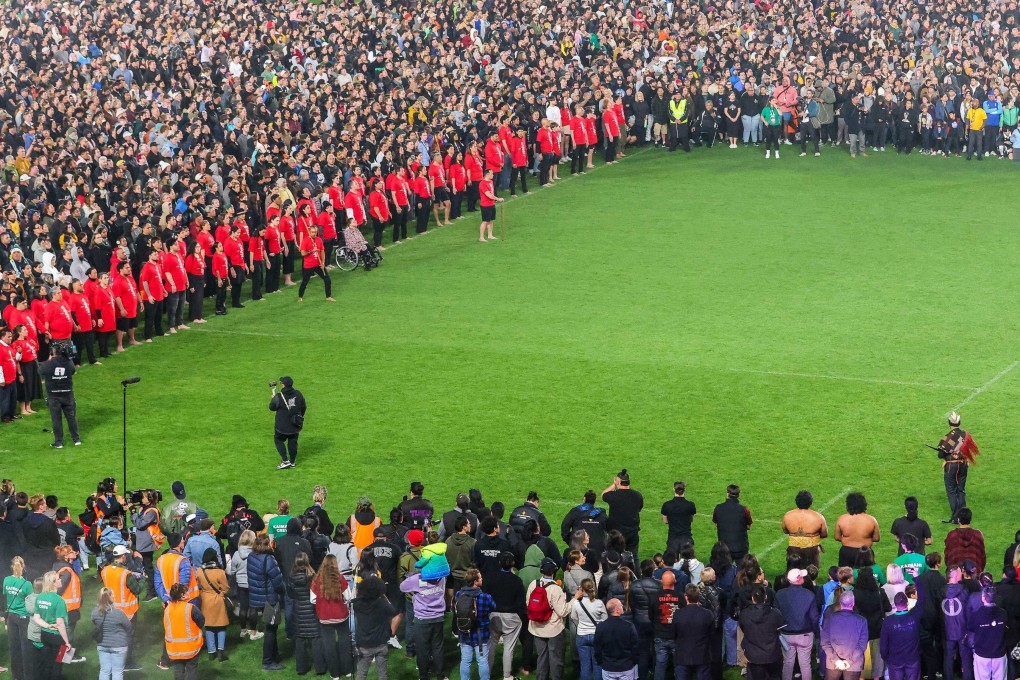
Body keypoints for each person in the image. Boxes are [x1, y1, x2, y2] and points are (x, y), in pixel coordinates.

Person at [400, 541, 449, 680]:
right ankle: (440, 675)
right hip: (438, 616)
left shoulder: (417, 579)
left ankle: (423, 676)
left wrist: (414, 574)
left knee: (423, 649)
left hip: (422, 619)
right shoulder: (442, 577)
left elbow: (402, 587)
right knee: (438, 647)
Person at [484, 551, 527, 680]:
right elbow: (521, 602)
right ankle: (507, 676)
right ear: (513, 563)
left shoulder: (491, 578)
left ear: (499, 563)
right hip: (512, 617)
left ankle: (486, 674)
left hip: (493, 616)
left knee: (491, 645)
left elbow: (486, 596)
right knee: (509, 647)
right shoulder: (516, 580)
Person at [527, 557, 571, 680]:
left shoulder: (533, 584)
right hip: (553, 629)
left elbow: (528, 604)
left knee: (541, 657)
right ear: (553, 572)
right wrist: (572, 601)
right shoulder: (555, 589)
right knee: (556, 659)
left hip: (536, 628)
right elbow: (562, 611)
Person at [247, 534, 285, 671]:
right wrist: (282, 592)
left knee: (271, 627)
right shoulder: (268, 559)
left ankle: (274, 656)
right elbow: (278, 581)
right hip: (269, 599)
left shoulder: (251, 557)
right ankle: (267, 661)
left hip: (258, 598)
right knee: (271, 629)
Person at [352, 575, 399, 680]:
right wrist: (383, 596)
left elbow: (355, 600)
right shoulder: (382, 603)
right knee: (383, 675)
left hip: (364, 645)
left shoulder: (357, 604)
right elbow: (393, 611)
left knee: (361, 675)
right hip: (381, 643)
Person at [453, 567, 496, 680]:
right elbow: (493, 607)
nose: (482, 579)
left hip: (464, 633)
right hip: (481, 635)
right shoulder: (485, 597)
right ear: (475, 581)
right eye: (480, 577)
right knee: (482, 661)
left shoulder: (458, 594)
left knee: (465, 661)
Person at [936, 412, 978, 524]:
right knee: (961, 490)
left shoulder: (948, 437)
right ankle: (963, 518)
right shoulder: (966, 435)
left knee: (951, 491)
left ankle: (956, 518)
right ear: (959, 422)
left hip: (951, 466)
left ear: (949, 423)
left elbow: (940, 455)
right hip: (964, 464)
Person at [38, 343, 80, 448]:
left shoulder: (48, 364)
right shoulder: (69, 362)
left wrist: (49, 359)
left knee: (56, 419)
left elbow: (40, 371)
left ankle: (59, 442)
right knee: (71, 417)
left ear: (52, 352)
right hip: (68, 394)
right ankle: (76, 440)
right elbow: (73, 371)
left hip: (54, 396)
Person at [820, 590, 869, 680]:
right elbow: (862, 645)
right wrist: (849, 661)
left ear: (840, 602)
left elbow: (824, 642)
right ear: (853, 603)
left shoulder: (830, 619)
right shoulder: (862, 621)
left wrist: (836, 660)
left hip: (833, 662)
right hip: (854, 663)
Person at [740, 585, 786, 680]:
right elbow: (781, 627)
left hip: (755, 655)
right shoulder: (775, 613)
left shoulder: (744, 614)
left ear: (752, 597)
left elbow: (744, 628)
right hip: (771, 654)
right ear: (765, 597)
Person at [33, 570, 72, 680]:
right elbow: (60, 623)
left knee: (48, 662)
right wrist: (67, 642)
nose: (60, 580)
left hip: (44, 634)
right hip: (57, 637)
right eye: (58, 579)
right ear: (53, 583)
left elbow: (36, 617)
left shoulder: (40, 597)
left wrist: (47, 626)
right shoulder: (58, 600)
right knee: (58, 664)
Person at [163, 582, 205, 680]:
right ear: (182, 595)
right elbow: (201, 621)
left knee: (178, 671)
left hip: (174, 648)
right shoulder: (190, 608)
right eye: (187, 592)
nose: (189, 593)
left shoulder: (167, 609)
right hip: (190, 647)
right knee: (192, 671)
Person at [673, 583, 715, 680]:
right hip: (702, 655)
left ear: (686, 597)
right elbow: (712, 634)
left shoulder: (678, 614)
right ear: (698, 597)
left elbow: (673, 634)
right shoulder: (707, 614)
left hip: (683, 656)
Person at [195, 548, 229, 662]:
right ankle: (220, 651)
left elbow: (198, 584)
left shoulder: (199, 571)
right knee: (221, 625)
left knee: (208, 626)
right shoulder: (220, 572)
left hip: (205, 600)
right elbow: (225, 587)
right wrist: (222, 593)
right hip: (218, 600)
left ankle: (211, 652)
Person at [571, 577, 608, 680]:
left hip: (582, 635)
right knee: (597, 665)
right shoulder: (599, 603)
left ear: (581, 589)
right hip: (596, 635)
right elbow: (605, 619)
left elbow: (573, 617)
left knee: (585, 666)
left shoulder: (576, 603)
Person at [92, 586, 132, 680]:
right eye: (112, 594)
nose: (114, 595)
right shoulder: (119, 613)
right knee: (117, 671)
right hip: (119, 646)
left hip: (102, 645)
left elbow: (95, 622)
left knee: (104, 671)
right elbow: (129, 626)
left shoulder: (94, 612)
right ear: (110, 597)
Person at [968, 586, 1008, 680]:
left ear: (983, 597)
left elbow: (971, 628)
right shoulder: (1003, 613)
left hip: (982, 654)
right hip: (999, 654)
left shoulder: (976, 614)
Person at [4, 556, 34, 680]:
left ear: (12, 566)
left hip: (11, 616)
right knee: (25, 647)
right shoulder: (26, 584)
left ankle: (16, 676)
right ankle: (27, 675)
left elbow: (6, 595)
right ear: (23, 566)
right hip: (23, 617)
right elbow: (31, 602)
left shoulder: (6, 580)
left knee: (14, 647)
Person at [781, 490, 829, 568]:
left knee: (793, 571)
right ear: (810, 502)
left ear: (796, 501)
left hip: (794, 549)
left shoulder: (787, 515)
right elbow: (824, 534)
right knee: (811, 573)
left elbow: (785, 530)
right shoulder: (818, 517)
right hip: (811, 550)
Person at [602, 470, 643, 558]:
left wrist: (614, 484)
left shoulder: (613, 496)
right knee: (633, 557)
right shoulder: (638, 495)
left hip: (616, 534)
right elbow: (639, 509)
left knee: (614, 557)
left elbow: (603, 494)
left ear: (618, 482)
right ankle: (634, 571)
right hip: (632, 533)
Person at [594, 598, 638, 680]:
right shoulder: (629, 626)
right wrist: (633, 662)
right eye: (621, 605)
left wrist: (601, 662)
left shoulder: (600, 627)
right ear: (617, 610)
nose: (622, 607)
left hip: (608, 668)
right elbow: (635, 647)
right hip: (626, 668)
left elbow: (597, 648)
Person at [650, 570, 681, 680]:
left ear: (662, 581)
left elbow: (651, 616)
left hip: (660, 636)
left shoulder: (654, 597)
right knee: (679, 665)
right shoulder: (680, 597)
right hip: (676, 636)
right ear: (675, 581)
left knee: (660, 665)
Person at [834, 493, 881, 567]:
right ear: (864, 505)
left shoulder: (842, 519)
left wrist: (849, 539)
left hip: (846, 552)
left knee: (845, 575)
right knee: (864, 575)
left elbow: (837, 537)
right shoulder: (871, 520)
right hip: (864, 552)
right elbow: (876, 538)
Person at [269, 376, 306, 469]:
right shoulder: (298, 393)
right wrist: (299, 417)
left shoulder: (278, 396)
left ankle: (285, 461)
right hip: (295, 424)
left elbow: (272, 407)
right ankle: (292, 462)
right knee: (293, 442)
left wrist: (273, 399)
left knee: (278, 440)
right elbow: (303, 407)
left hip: (282, 426)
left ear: (283, 385)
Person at [713, 485, 752, 562]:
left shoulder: (718, 508)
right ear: (738, 495)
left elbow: (716, 523)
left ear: (727, 494)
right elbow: (748, 526)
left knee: (723, 571)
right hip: (740, 548)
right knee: (742, 571)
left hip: (724, 548)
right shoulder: (744, 509)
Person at [297, 224, 334, 302]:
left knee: (327, 279)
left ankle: (328, 296)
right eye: (313, 232)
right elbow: (303, 253)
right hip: (308, 266)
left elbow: (322, 251)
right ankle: (300, 296)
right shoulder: (305, 240)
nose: (314, 233)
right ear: (309, 232)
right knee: (305, 282)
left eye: (316, 232)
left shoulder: (319, 240)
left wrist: (323, 262)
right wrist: (311, 251)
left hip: (318, 264)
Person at [944, 508, 986, 572]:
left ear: (958, 520)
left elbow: (947, 555)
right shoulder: (978, 535)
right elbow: (982, 557)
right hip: (973, 574)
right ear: (970, 519)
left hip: (956, 575)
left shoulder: (952, 535)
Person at [661, 481, 697, 553]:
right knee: (687, 562)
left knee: (672, 562)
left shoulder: (667, 505)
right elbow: (691, 519)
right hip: (686, 538)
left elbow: (665, 521)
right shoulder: (691, 505)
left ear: (674, 489)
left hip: (673, 538)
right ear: (685, 490)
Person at [478, 168, 503, 243]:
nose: (493, 175)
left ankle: (490, 235)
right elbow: (489, 195)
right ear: (487, 174)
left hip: (492, 204)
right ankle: (481, 237)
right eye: (491, 173)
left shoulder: (491, 182)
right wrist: (498, 199)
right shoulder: (482, 183)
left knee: (491, 220)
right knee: (485, 221)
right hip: (485, 205)